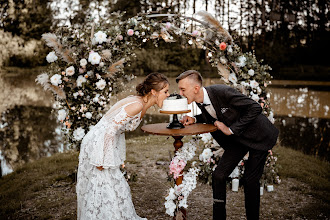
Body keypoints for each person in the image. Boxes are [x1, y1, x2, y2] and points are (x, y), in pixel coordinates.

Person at [176, 70, 279, 220]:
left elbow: (255, 108)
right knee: (218, 175)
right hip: (238, 141)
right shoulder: (200, 101)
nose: (180, 93)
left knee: (250, 181)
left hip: (259, 137)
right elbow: (214, 114)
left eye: (183, 89)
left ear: (196, 88)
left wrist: (230, 130)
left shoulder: (222, 91)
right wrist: (196, 119)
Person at [76, 73, 170, 220]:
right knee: (103, 183)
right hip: (99, 142)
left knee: (112, 183)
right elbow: (109, 130)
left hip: (106, 140)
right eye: (165, 92)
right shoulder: (137, 105)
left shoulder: (142, 103)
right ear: (154, 92)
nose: (168, 95)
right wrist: (101, 159)